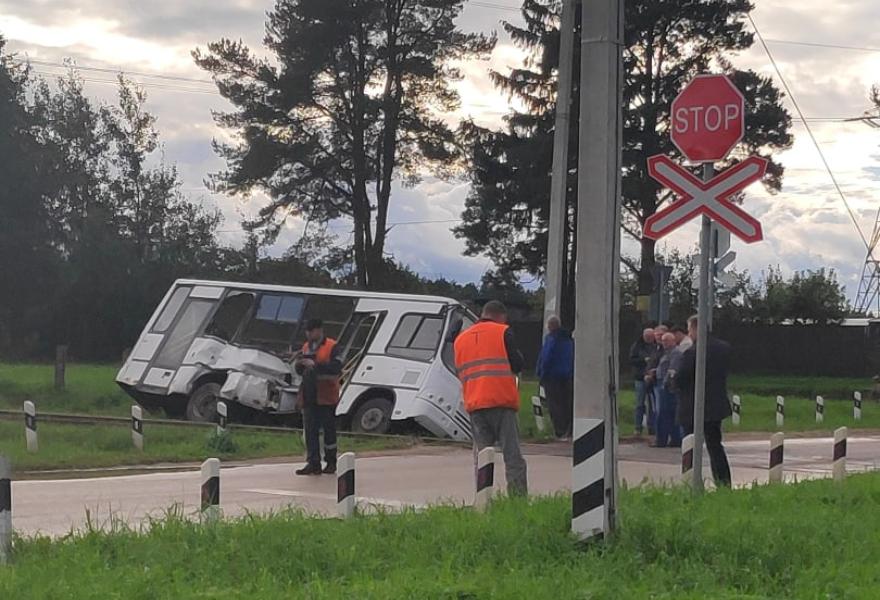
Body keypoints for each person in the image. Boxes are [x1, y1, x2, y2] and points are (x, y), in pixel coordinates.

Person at [454, 300, 528, 496]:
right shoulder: (503, 332)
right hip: (501, 402)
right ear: (500, 316)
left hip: (475, 404)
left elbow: (459, 371)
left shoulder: (461, 339)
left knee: (483, 457)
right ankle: (518, 501)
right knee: (512, 456)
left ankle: (483, 500)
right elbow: (517, 364)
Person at [674, 315, 733, 487]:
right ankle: (723, 483)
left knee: (690, 446)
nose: (688, 333)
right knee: (715, 446)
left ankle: (690, 482)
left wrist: (673, 381)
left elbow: (682, 377)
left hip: (693, 405)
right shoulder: (724, 348)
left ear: (695, 328)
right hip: (716, 405)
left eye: (689, 329)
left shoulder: (693, 352)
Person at [293, 319, 343, 476]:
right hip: (309, 394)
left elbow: (336, 368)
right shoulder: (306, 346)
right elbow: (301, 371)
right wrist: (300, 363)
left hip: (326, 395)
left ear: (319, 330)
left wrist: (314, 364)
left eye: (310, 330)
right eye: (306, 331)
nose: (308, 334)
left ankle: (331, 462)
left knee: (328, 430)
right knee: (310, 431)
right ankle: (313, 463)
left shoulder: (332, 347)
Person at [536, 315, 574, 439]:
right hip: (567, 375)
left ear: (550, 326)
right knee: (566, 403)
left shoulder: (551, 339)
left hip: (552, 376)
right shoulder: (568, 340)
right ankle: (569, 429)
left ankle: (559, 431)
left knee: (554, 404)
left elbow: (546, 357)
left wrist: (541, 373)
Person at [652, 332, 681, 448]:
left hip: (667, 386)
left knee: (663, 413)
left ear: (673, 341)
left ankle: (662, 440)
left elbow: (672, 370)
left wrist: (665, 384)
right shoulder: (665, 353)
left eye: (667, 340)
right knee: (668, 413)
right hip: (662, 383)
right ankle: (672, 439)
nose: (664, 343)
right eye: (663, 341)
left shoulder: (676, 353)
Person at [629, 327, 658, 436]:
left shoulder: (656, 346)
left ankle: (652, 427)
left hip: (652, 378)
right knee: (639, 403)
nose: (649, 339)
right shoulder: (637, 346)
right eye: (647, 337)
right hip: (640, 377)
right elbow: (631, 360)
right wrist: (643, 360)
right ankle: (637, 427)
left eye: (651, 337)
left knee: (652, 404)